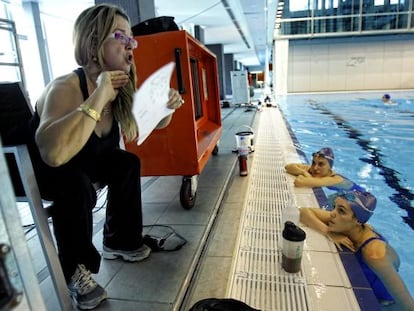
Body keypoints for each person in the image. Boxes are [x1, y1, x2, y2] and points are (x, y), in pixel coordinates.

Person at [25, 4, 184, 310]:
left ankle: (119, 240)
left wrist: (167, 107)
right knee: (75, 183)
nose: (130, 45)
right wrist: (98, 95)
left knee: (127, 163)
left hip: (83, 164)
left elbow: (147, 123)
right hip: (47, 173)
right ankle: (74, 270)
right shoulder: (66, 87)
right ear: (92, 40)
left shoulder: (119, 89)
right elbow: (55, 155)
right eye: (120, 36)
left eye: (131, 40)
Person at [299, 190, 414, 310]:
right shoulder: (349, 224)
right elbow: (303, 212)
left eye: (341, 211)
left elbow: (408, 306)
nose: (332, 213)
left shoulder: (374, 255)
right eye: (335, 207)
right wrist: (328, 232)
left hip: (385, 304)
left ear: (358, 221)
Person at [285, 147, 365, 191]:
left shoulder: (334, 179)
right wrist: (304, 172)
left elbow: (299, 182)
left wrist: (305, 174)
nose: (315, 168)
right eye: (313, 163)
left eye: (321, 164)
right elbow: (288, 167)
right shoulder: (313, 169)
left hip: (359, 195)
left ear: (330, 167)